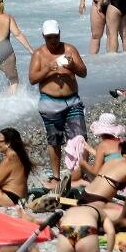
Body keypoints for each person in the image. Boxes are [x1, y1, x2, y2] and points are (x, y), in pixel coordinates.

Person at [28, 22, 87, 181]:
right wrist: (48, 69)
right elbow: (33, 79)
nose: (53, 40)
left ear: (60, 34)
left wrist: (72, 65)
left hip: (72, 101)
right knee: (54, 140)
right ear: (43, 36)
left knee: (79, 138)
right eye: (49, 38)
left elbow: (83, 72)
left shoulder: (69, 49)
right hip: (50, 103)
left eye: (56, 36)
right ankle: (56, 176)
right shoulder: (39, 54)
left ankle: (79, 174)